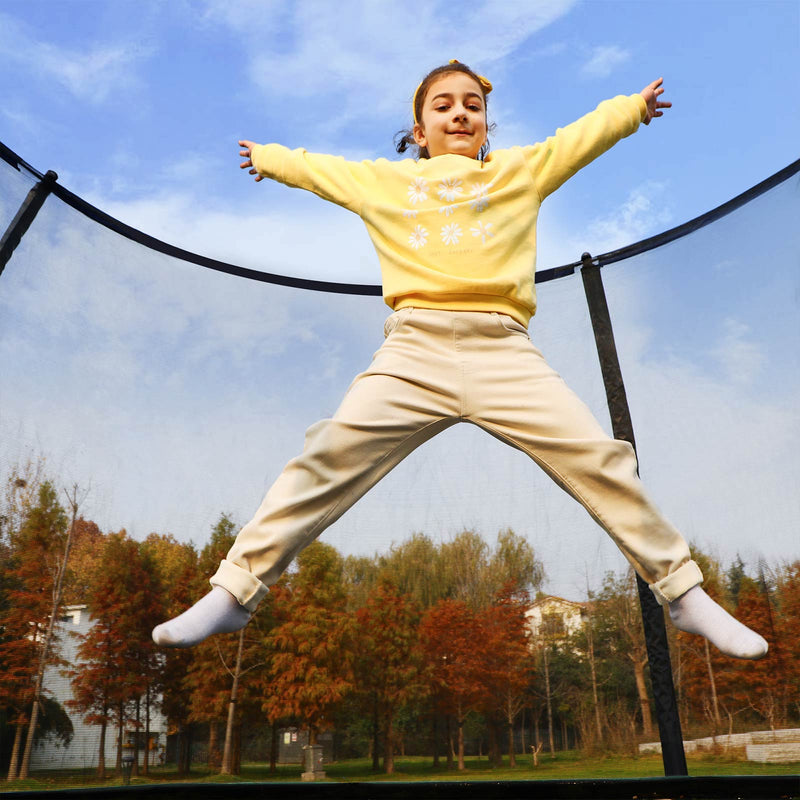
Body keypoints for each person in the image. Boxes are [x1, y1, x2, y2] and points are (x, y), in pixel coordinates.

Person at [152, 61, 767, 660]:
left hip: (504, 349)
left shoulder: (517, 172)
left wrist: (630, 110)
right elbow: (320, 170)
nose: (460, 113)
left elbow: (575, 142)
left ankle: (683, 592)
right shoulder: (385, 183)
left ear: (486, 126)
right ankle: (234, 590)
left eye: (473, 105)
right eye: (443, 105)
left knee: (601, 460)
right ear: (419, 131)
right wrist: (269, 159)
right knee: (325, 456)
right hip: (413, 350)